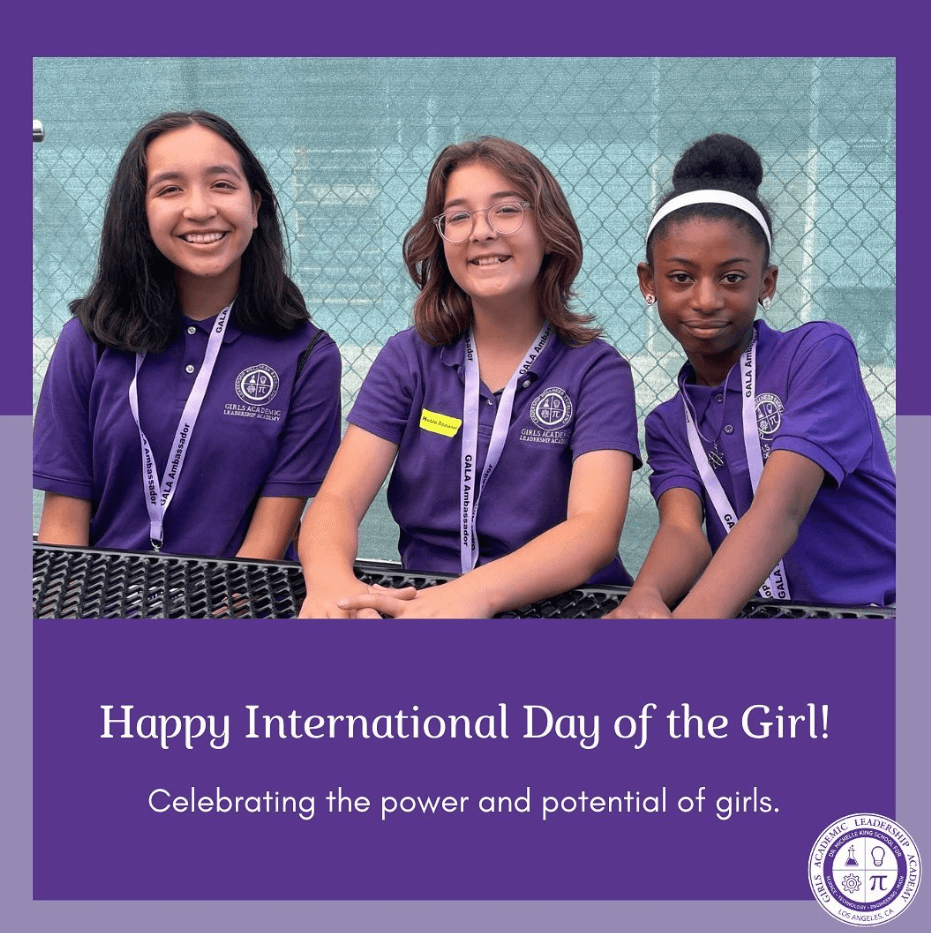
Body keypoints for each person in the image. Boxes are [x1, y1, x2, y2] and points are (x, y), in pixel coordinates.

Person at [298, 136, 640, 618]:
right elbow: (336, 499)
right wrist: (334, 585)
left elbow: (593, 532)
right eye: (458, 217)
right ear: (441, 242)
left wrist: (468, 597)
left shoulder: (596, 370)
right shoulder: (408, 358)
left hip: (563, 608)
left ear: (549, 229)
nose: (481, 232)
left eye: (506, 210)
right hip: (426, 605)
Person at [607, 133, 895, 619]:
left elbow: (779, 511)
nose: (705, 299)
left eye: (732, 277)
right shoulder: (668, 423)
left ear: (767, 283)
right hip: (760, 617)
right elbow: (683, 532)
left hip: (876, 615)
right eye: (681, 277)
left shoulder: (818, 354)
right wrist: (647, 595)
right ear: (648, 282)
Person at [33, 111, 341, 560]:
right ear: (140, 213)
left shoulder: (308, 357)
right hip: (103, 603)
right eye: (170, 189)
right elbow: (63, 528)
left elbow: (265, 549)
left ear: (255, 208)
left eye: (221, 184)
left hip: (240, 606)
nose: (199, 209)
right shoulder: (86, 342)